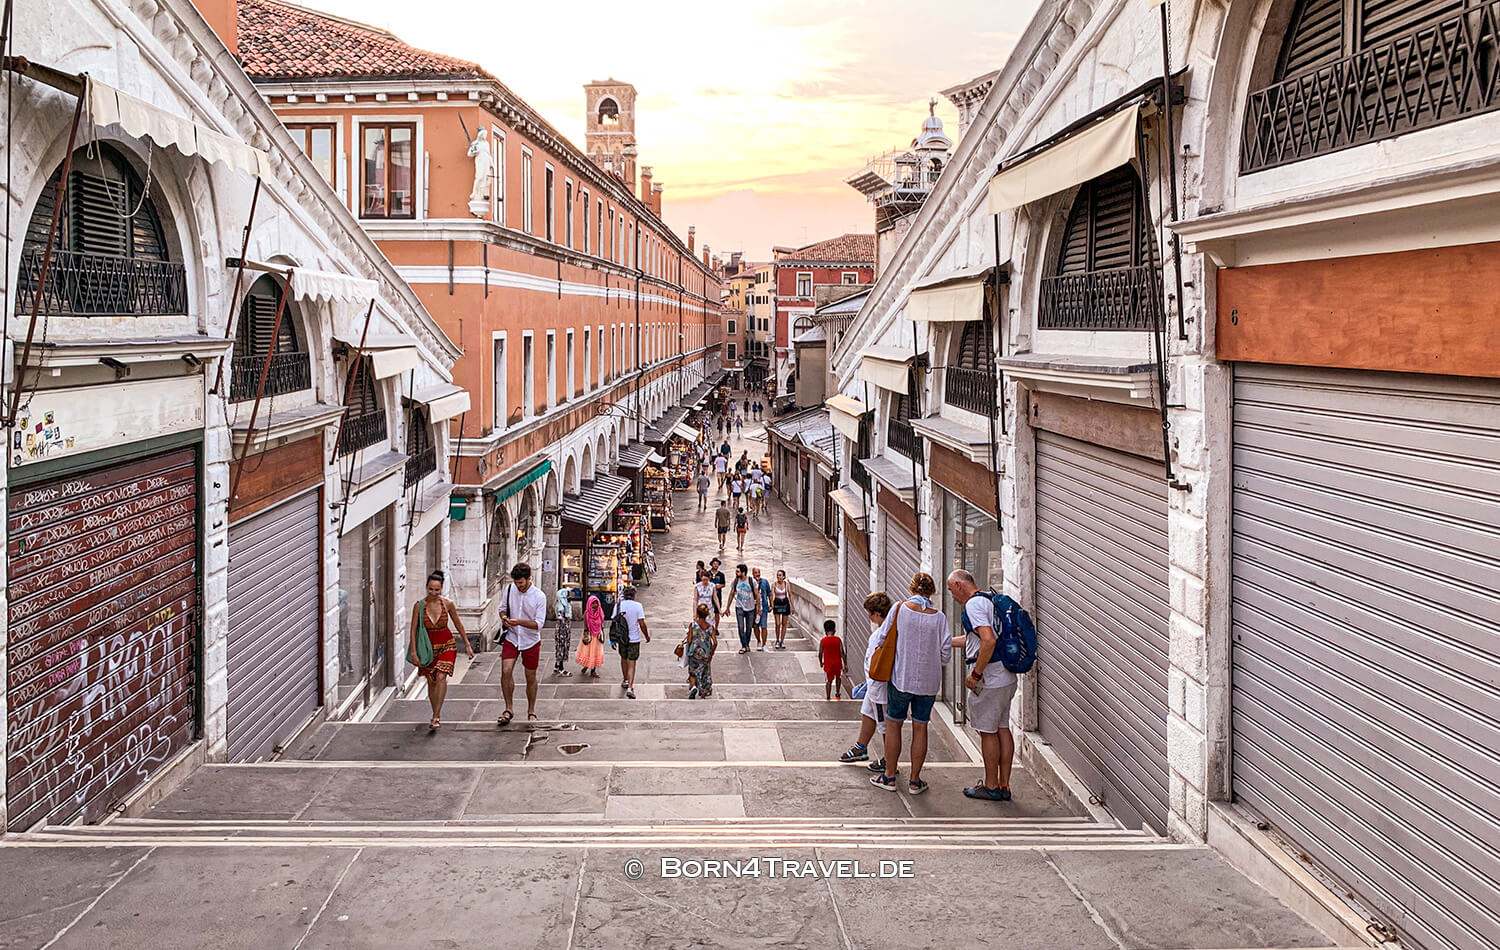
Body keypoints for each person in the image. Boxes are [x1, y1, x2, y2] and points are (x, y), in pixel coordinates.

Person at [869, 573, 951, 795]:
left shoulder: (899, 608)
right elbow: (945, 654)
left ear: (912, 588)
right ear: (932, 591)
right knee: (920, 726)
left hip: (901, 678)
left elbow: (883, 636)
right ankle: (915, 781)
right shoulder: (940, 618)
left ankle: (889, 776)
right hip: (928, 683)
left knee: (894, 724)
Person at [947, 569, 1018, 802]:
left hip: (990, 678)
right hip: (1006, 676)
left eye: (951, 590)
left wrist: (975, 674)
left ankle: (990, 785)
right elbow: (974, 639)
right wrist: (944, 642)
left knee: (987, 731)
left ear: (959, 585)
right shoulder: (989, 599)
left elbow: (988, 640)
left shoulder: (973, 606)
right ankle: (1004, 785)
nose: (952, 596)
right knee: (1002, 728)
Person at [408, 570, 473, 732]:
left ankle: (436, 715)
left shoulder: (448, 604)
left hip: (447, 644)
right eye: (431, 589)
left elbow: (458, 624)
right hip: (428, 649)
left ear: (441, 589)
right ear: (426, 588)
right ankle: (434, 710)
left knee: (441, 676)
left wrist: (467, 644)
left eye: (437, 590)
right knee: (432, 680)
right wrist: (414, 653)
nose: (434, 593)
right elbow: (413, 630)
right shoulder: (419, 606)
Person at [839, 592, 894, 770]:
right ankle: (861, 747)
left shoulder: (884, 634)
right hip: (873, 685)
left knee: (885, 724)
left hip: (880, 686)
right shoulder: (884, 630)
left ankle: (888, 760)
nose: (868, 616)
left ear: (877, 613)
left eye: (869, 613)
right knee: (868, 712)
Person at [498, 562, 548, 726]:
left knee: (530, 676)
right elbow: (502, 608)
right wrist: (504, 618)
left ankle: (531, 710)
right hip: (512, 638)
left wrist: (519, 622)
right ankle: (508, 708)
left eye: (521, 583)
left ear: (528, 579)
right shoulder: (510, 590)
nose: (518, 586)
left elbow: (539, 624)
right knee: (506, 670)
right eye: (516, 582)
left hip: (531, 640)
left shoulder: (539, 596)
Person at [614, 585, 649, 698]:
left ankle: (625, 679)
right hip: (634, 638)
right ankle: (630, 686)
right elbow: (642, 623)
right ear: (634, 595)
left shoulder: (618, 605)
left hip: (622, 638)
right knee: (632, 662)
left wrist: (613, 639)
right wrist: (647, 636)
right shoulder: (638, 606)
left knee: (623, 658)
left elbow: (614, 622)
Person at [684, 603, 718, 699]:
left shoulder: (693, 625)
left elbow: (689, 640)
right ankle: (703, 690)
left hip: (694, 652)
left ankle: (693, 686)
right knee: (704, 672)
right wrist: (711, 654)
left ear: (697, 614)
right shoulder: (710, 627)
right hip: (705, 653)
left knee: (692, 672)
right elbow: (715, 642)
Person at [725, 564, 756, 654]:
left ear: (743, 572)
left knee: (749, 628)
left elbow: (757, 595)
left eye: (738, 571)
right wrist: (727, 607)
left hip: (750, 608)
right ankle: (744, 646)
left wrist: (759, 609)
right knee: (740, 627)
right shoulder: (735, 581)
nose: (736, 573)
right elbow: (731, 594)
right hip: (739, 607)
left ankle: (747, 644)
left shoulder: (751, 581)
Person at [575, 594, 606, 678]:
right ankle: (586, 665)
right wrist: (586, 634)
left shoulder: (600, 612)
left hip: (597, 636)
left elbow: (601, 623)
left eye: (596, 603)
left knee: (595, 653)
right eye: (593, 603)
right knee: (588, 653)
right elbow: (585, 625)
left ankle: (593, 670)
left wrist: (601, 632)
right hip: (590, 636)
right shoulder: (587, 613)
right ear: (589, 604)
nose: (595, 605)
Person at [819, 619, 846, 700]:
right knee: (838, 678)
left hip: (828, 664)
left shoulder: (823, 641)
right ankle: (837, 694)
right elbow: (842, 652)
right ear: (834, 630)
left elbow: (820, 653)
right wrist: (845, 663)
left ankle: (828, 697)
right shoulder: (838, 640)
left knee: (828, 681)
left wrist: (821, 662)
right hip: (837, 663)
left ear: (825, 630)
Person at [552, 588, 573, 676]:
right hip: (562, 630)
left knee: (561, 647)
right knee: (561, 647)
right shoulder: (561, 606)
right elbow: (561, 619)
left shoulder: (564, 605)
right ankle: (561, 668)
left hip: (565, 629)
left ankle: (557, 666)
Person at [751, 566, 772, 651]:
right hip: (753, 608)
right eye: (756, 573)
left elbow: (769, 593)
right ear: (752, 574)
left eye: (758, 572)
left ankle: (764, 644)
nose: (757, 574)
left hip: (764, 607)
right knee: (755, 626)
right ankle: (758, 641)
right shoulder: (750, 582)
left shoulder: (765, 582)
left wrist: (772, 604)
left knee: (764, 626)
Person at [770, 570, 792, 649]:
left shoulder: (787, 584)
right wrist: (771, 605)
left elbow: (790, 595)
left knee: (784, 624)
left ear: (784, 577)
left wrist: (792, 607)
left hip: (785, 603)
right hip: (777, 603)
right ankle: (777, 639)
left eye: (780, 575)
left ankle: (782, 641)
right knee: (778, 623)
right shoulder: (774, 585)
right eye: (778, 575)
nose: (779, 577)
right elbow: (771, 595)